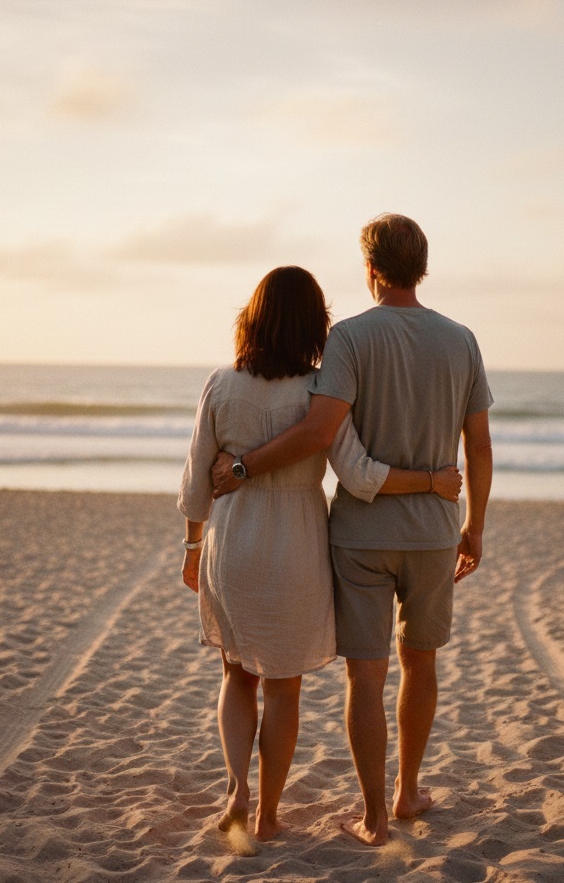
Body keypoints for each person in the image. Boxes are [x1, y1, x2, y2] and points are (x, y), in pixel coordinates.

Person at [211, 215, 493, 846]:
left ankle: (370, 816)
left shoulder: (349, 339)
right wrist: (475, 524)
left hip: (361, 534)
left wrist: (242, 466)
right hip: (435, 532)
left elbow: (320, 433)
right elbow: (478, 445)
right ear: (421, 267)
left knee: (364, 675)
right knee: (421, 663)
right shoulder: (462, 340)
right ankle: (408, 793)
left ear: (371, 269)